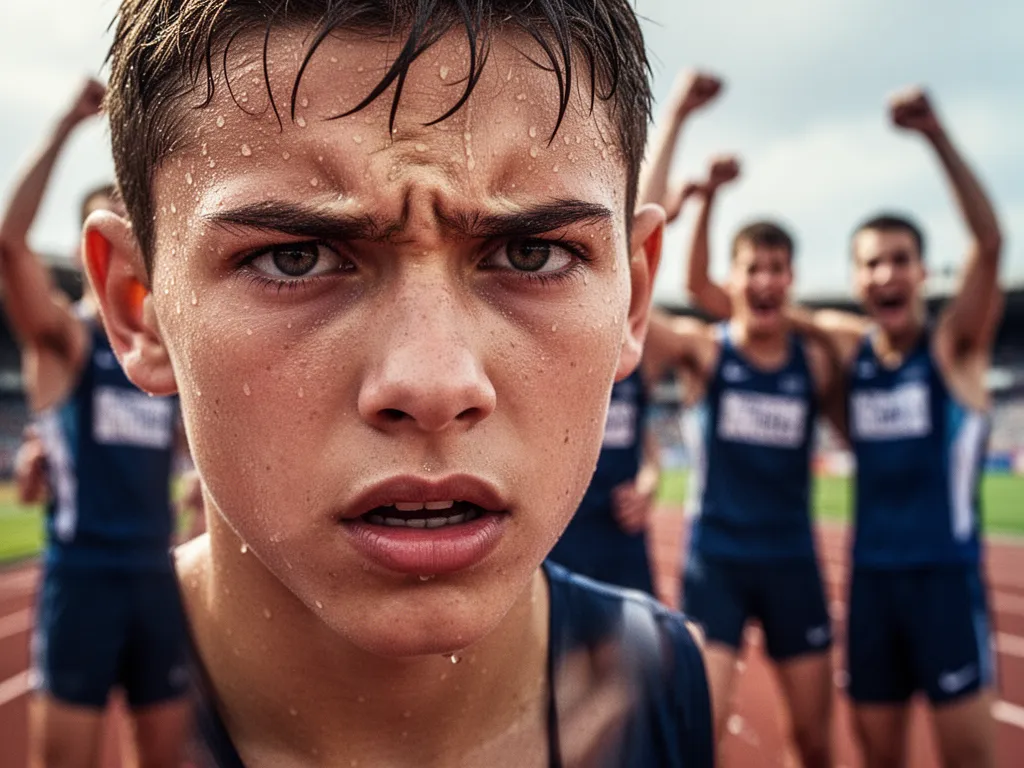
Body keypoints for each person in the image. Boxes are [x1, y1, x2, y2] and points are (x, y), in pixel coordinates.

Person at [86, 1, 714, 765]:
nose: (433, 383)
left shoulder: (670, 676)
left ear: (633, 300)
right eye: (297, 257)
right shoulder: (78, 706)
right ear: (138, 311)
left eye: (531, 253)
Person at [785, 88, 1003, 768]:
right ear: (856, 279)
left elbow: (991, 243)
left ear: (921, 272)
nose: (886, 273)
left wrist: (935, 134)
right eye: (872, 262)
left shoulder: (954, 352)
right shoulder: (854, 359)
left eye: (900, 259)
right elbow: (786, 317)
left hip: (945, 586)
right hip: (872, 587)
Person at [0, 79, 190, 768]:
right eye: (111, 218)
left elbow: (183, 459)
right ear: (94, 252)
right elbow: (11, 246)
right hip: (84, 581)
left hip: (155, 577)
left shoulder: (165, 357)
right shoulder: (68, 344)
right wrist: (64, 126)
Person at [642, 99, 839, 762]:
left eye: (776, 269)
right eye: (751, 268)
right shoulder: (708, 352)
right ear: (732, 279)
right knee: (706, 724)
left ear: (791, 280)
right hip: (716, 562)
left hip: (793, 561)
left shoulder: (813, 362)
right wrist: (705, 201)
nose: (763, 280)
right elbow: (671, 281)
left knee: (814, 737)